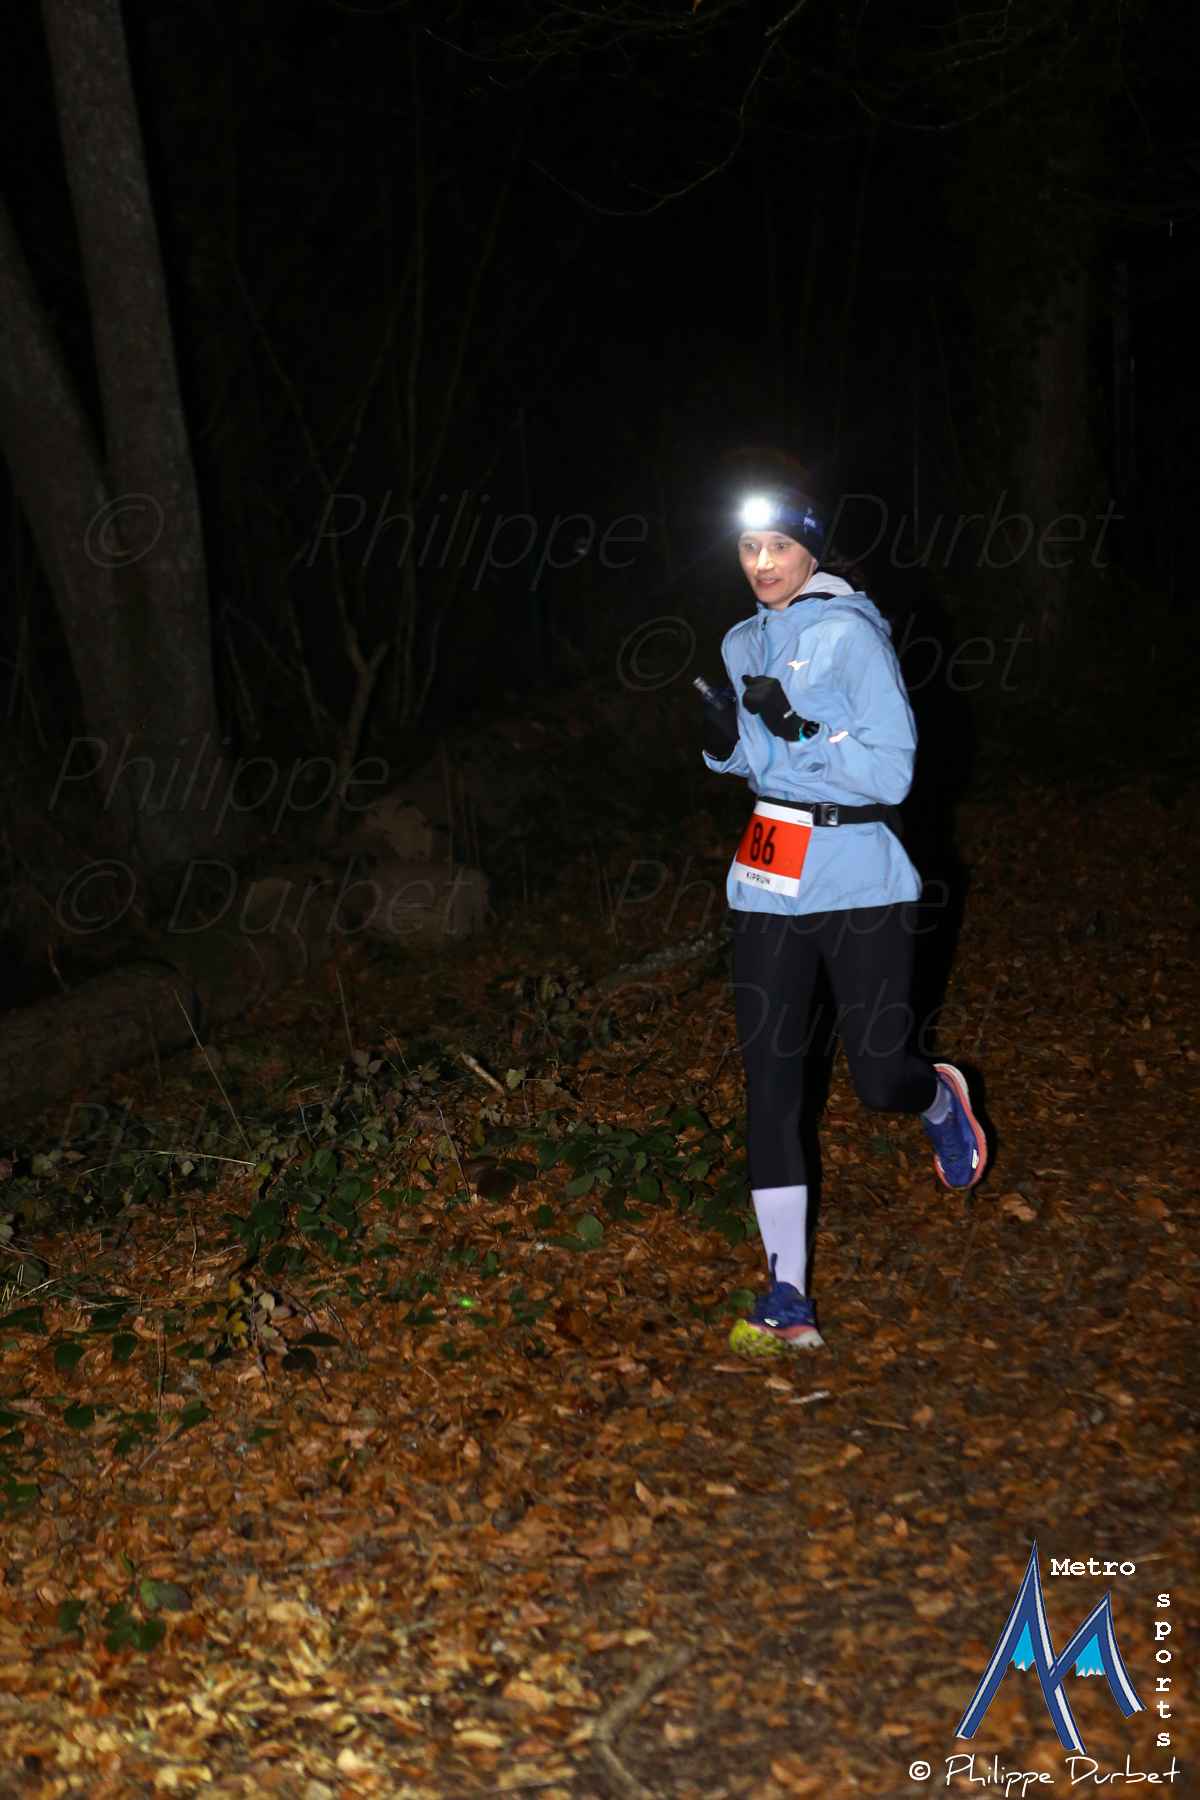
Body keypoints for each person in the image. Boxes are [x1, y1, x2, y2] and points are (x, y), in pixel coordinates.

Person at [700, 487, 988, 1357]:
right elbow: (758, 766)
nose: (761, 564)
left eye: (779, 546)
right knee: (771, 1086)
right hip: (768, 875)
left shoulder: (854, 634)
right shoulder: (741, 641)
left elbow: (891, 771)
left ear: (812, 551)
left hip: (859, 872)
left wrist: (799, 726)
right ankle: (786, 1292)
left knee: (877, 1077)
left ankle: (936, 1096)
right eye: (748, 547)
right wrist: (726, 739)